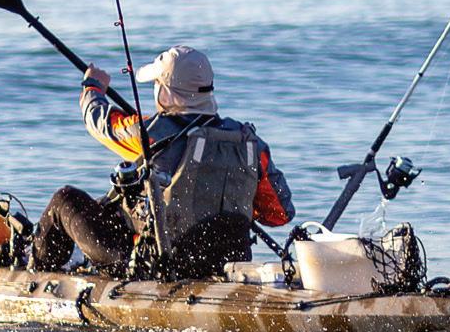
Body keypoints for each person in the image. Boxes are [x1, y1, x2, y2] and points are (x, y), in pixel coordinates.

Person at [31, 45, 293, 278]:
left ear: (166, 92)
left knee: (64, 200)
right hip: (227, 262)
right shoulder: (251, 144)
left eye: (157, 84)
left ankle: (33, 274)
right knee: (110, 205)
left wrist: (92, 88)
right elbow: (280, 214)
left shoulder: (150, 133)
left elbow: (100, 123)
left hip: (157, 263)